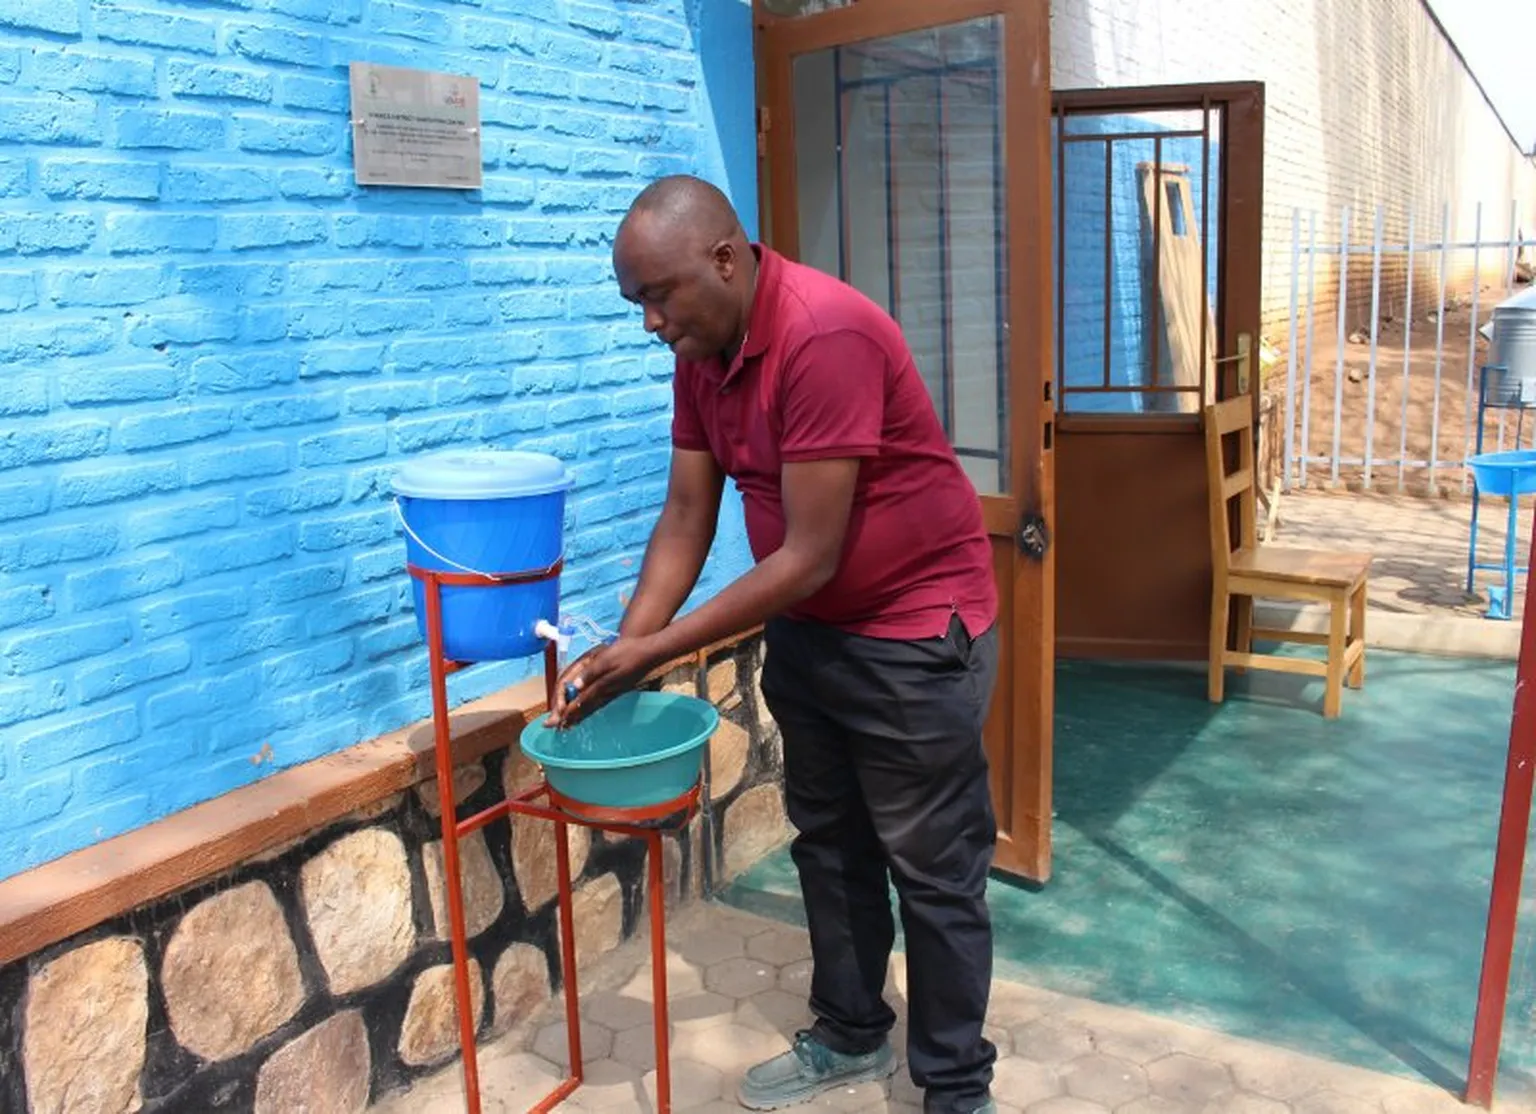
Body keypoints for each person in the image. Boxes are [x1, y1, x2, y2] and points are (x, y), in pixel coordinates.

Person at [546, 175, 1001, 1114]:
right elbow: (685, 515)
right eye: (636, 304)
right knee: (829, 843)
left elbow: (809, 553)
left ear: (725, 258)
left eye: (659, 296)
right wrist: (621, 656)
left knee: (932, 869)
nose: (651, 324)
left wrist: (661, 648)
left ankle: (957, 1087)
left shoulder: (822, 336)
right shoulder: (702, 355)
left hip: (915, 633)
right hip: (813, 631)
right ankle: (848, 1034)